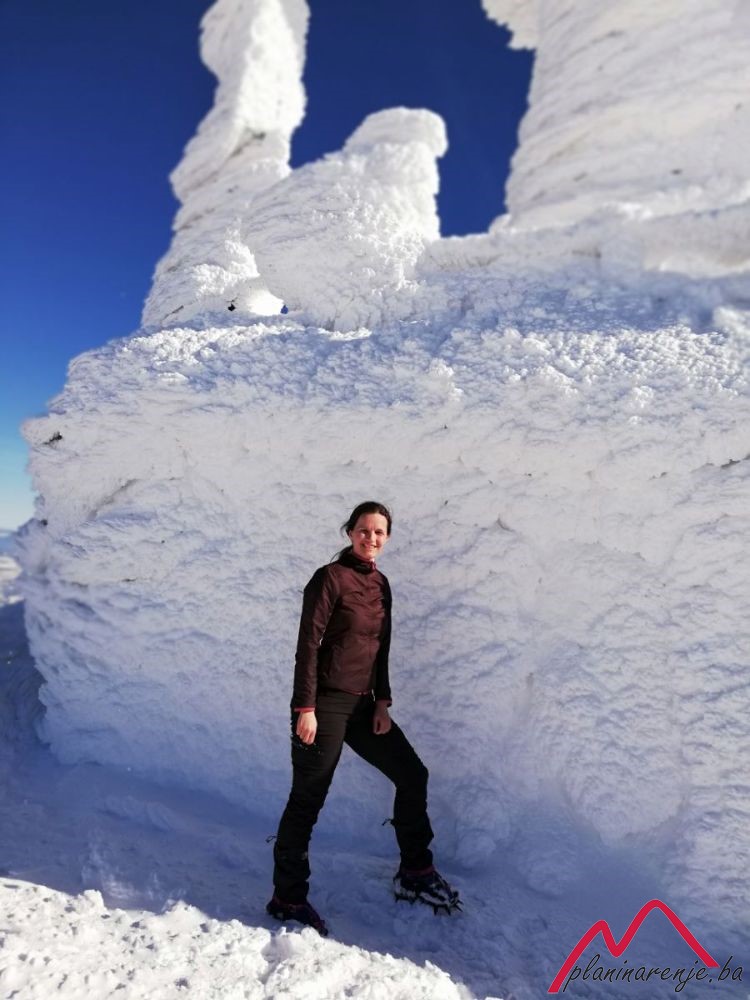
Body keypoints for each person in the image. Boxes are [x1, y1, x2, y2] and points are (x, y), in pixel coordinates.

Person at [266, 501, 460, 935]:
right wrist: (305, 709)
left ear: (386, 538)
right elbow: (308, 645)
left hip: (364, 706)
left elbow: (380, 647)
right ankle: (287, 897)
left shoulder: (382, 584)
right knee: (307, 800)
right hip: (325, 706)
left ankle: (415, 871)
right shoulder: (329, 578)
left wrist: (382, 702)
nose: (371, 538)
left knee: (413, 775)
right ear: (350, 531)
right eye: (364, 530)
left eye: (379, 532)